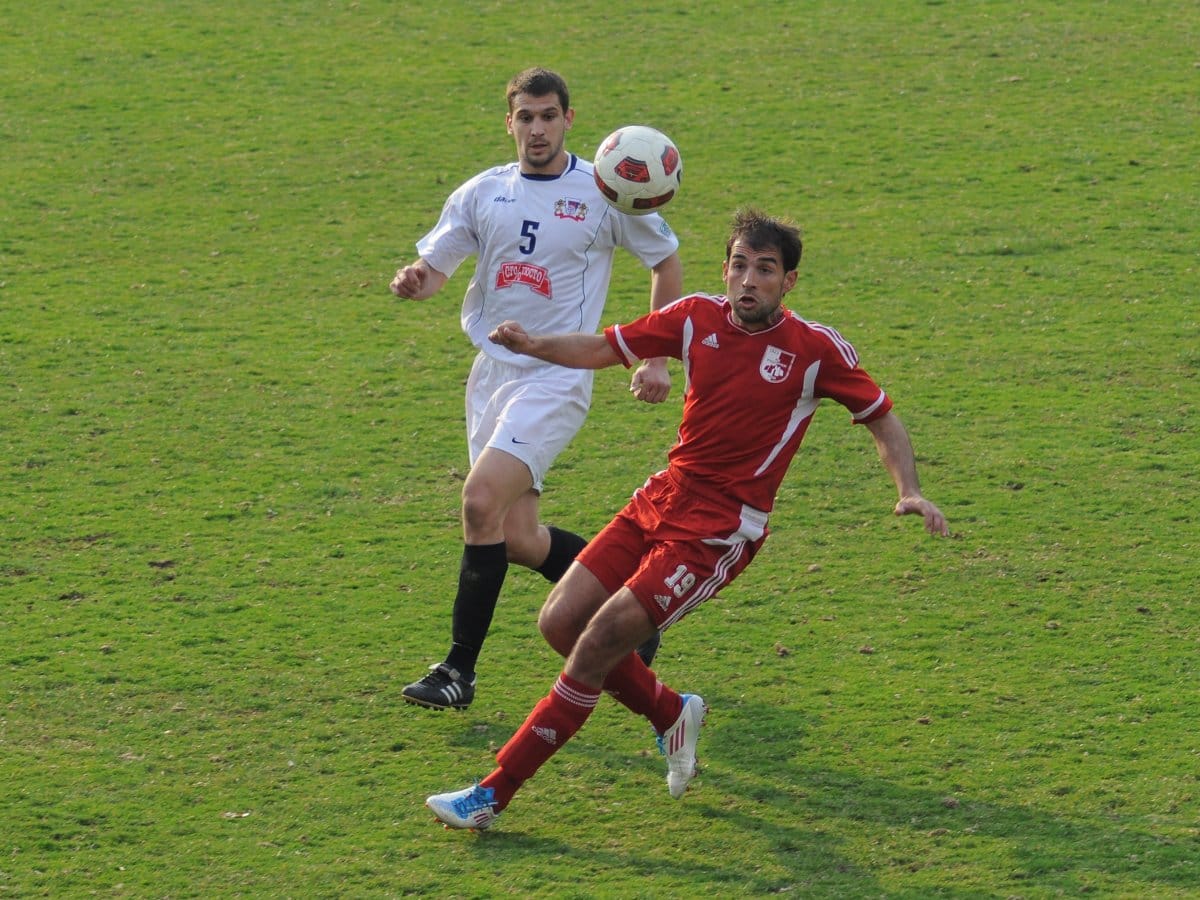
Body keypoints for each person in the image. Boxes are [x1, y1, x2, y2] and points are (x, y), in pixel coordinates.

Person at [424, 207, 949, 829]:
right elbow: (607, 345)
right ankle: (672, 713)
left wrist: (909, 488)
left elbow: (881, 416)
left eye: (765, 269)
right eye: (738, 266)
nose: (748, 280)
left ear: (789, 282)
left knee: (593, 648)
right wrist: (535, 344)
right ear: (724, 269)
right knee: (561, 621)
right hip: (663, 496)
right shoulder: (696, 316)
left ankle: (491, 794)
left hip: (720, 529)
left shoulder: (813, 350)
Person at [390, 67, 681, 711]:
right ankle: (632, 605)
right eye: (526, 117)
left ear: (569, 120)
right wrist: (416, 280)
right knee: (516, 536)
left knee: (478, 500)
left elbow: (664, 261)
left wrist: (655, 358)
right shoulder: (483, 192)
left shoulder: (605, 192)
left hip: (558, 376)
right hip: (491, 376)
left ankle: (458, 671)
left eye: (549, 116)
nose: (538, 128)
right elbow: (437, 271)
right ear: (510, 122)